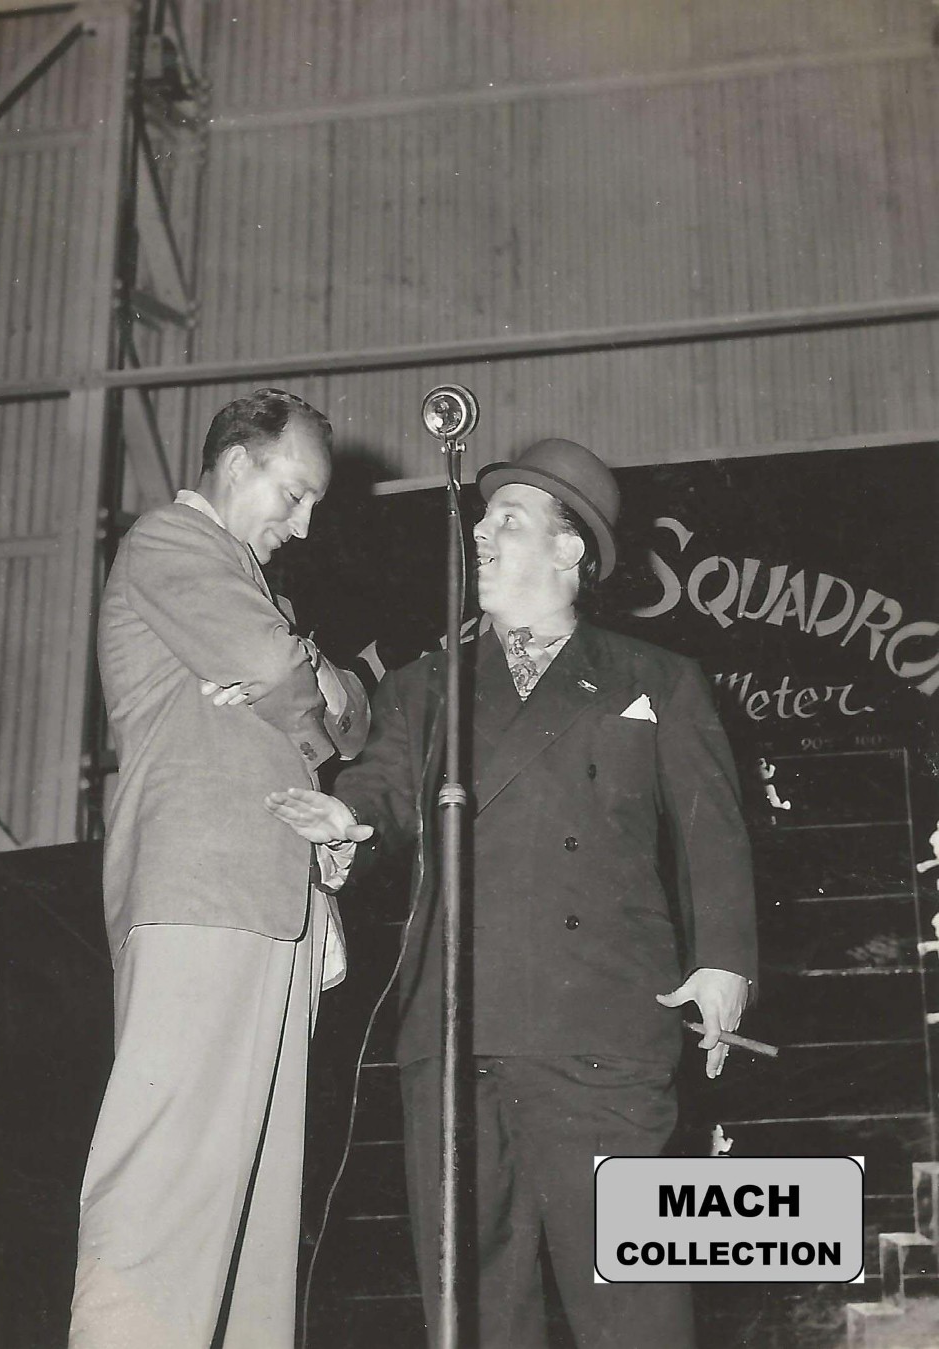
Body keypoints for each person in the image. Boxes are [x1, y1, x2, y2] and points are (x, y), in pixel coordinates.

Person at [265, 438, 757, 1349]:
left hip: (603, 1031)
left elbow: (712, 835)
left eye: (510, 519)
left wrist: (725, 961)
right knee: (475, 1313)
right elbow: (380, 788)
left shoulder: (656, 679)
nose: (481, 534)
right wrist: (346, 821)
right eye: (483, 518)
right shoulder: (426, 685)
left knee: (634, 1303)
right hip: (454, 1036)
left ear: (570, 548)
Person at [68, 389, 369, 1349]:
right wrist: (300, 677)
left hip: (273, 909)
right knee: (164, 1190)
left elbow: (347, 709)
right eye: (294, 494)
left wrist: (302, 670)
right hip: (202, 898)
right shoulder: (171, 541)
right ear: (236, 463)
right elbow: (284, 676)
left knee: (255, 1223)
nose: (304, 525)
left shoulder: (254, 587)